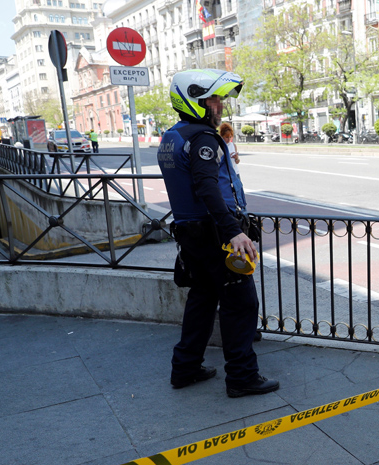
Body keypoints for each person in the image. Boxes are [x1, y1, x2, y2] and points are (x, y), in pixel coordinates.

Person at [157, 68, 278, 398]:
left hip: (191, 235)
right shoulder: (203, 139)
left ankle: (185, 368)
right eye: (213, 98)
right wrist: (232, 233)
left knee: (203, 298)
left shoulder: (173, 137)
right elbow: (207, 187)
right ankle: (241, 376)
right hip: (214, 235)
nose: (220, 105)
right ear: (195, 100)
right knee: (241, 302)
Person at [218, 122, 245, 208]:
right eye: (226, 137)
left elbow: (237, 162)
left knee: (238, 191)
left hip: (235, 172)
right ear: (222, 136)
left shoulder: (233, 145)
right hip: (225, 173)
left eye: (230, 137)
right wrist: (226, 157)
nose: (228, 139)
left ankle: (241, 208)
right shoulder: (219, 146)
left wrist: (236, 157)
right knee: (227, 193)